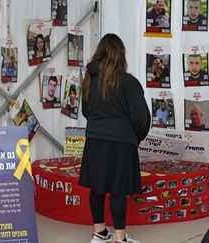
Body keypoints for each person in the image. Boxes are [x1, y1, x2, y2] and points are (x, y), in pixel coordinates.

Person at [78, 33, 150, 243]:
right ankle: (120, 239)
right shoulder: (128, 82)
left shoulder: (88, 79)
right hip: (121, 143)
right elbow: (142, 117)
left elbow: (85, 111)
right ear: (120, 55)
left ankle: (99, 233)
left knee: (97, 188)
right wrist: (133, 137)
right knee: (118, 191)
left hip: (94, 140)